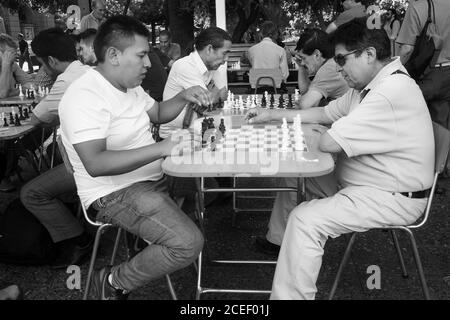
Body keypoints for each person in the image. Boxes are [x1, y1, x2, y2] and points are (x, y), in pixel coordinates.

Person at [248, 18, 434, 299]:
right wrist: (273, 115)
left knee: (304, 220)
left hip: (392, 196)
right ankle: (278, 242)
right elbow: (323, 114)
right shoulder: (369, 86)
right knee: (295, 177)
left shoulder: (389, 92)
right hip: (368, 183)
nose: (336, 68)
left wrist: (316, 133)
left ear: (369, 54)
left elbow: (328, 141)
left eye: (341, 59)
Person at [59, 15, 209, 300]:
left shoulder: (130, 86)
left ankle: (146, 246)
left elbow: (160, 113)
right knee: (187, 243)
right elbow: (96, 164)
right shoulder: (84, 95)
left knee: (200, 205)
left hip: (152, 179)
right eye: (141, 55)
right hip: (113, 194)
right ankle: (112, 281)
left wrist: (184, 96)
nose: (149, 63)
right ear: (113, 55)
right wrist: (162, 147)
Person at [253, 28, 349, 255]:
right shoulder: (325, 67)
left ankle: (278, 240)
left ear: (317, 54)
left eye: (304, 58)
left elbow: (304, 104)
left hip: (342, 156)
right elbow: (305, 93)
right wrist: (301, 65)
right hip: (337, 140)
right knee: (293, 170)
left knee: (293, 174)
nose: (302, 63)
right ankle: (280, 235)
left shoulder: (329, 69)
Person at [20, 28, 92, 269]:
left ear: (50, 61)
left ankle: (81, 241)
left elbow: (35, 119)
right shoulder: (88, 71)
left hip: (89, 164)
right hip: (101, 155)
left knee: (31, 193)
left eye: (41, 63)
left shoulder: (66, 81)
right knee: (46, 166)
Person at [396, 0, 450, 149]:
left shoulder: (418, 7)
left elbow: (407, 49)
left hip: (428, 73)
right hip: (447, 73)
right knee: (441, 125)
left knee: (404, 114)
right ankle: (441, 167)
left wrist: (395, 72)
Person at [159, 27, 231, 138]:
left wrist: (217, 95)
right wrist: (216, 95)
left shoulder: (210, 66)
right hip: (175, 138)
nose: (226, 59)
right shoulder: (185, 66)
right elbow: (208, 101)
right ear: (209, 49)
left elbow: (223, 93)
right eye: (224, 53)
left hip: (196, 131)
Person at [0, 33, 33, 98]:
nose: (15, 55)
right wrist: (5, 65)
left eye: (14, 53)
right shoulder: (7, 64)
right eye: (10, 53)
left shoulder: (13, 65)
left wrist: (13, 92)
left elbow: (31, 84)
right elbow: (2, 94)